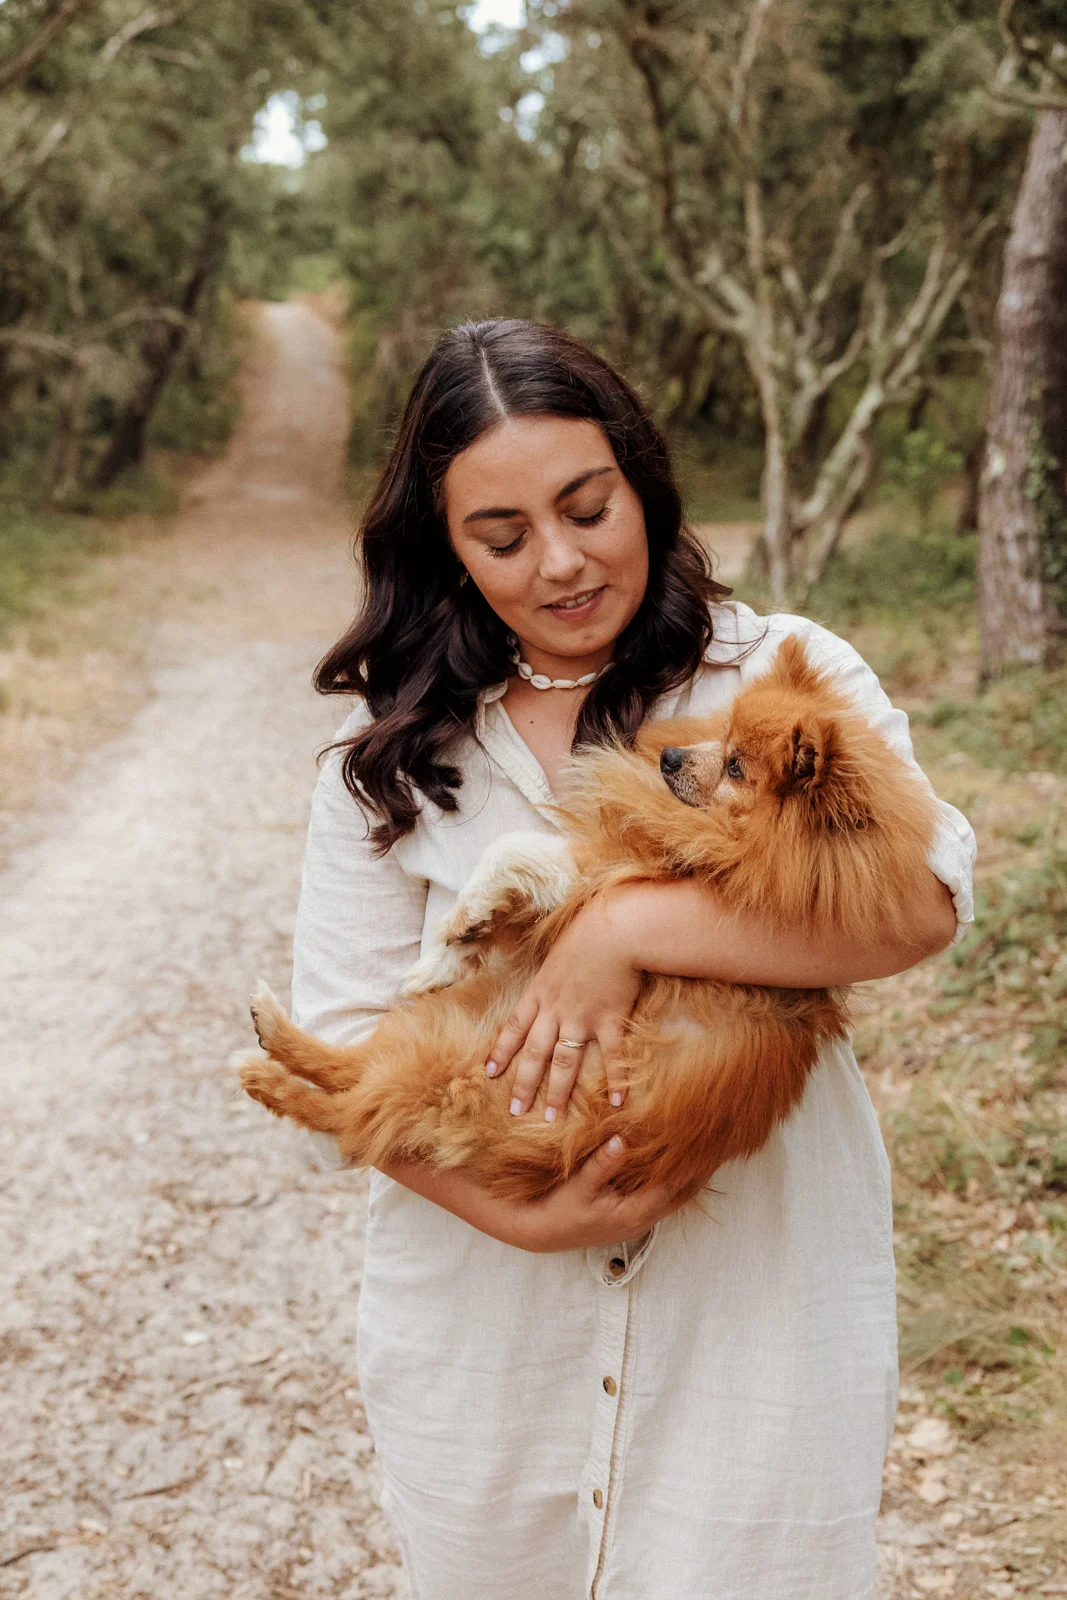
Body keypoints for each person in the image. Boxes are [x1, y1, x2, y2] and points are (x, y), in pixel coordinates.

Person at [290, 319, 975, 1600]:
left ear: (640, 480)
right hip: (482, 1338)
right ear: (443, 549)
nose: (560, 561)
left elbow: (924, 901)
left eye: (587, 507)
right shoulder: (387, 759)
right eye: (500, 537)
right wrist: (518, 1212)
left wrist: (623, 928)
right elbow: (341, 1038)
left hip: (754, 1307)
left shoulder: (779, 673)